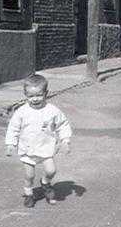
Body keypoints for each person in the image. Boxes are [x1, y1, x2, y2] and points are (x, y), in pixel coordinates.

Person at [5, 74, 72, 208]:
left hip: (46, 148)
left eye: (39, 95)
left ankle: (45, 183)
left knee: (51, 170)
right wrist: (10, 144)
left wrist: (65, 140)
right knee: (29, 175)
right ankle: (29, 194)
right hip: (28, 149)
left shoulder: (52, 111)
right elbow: (13, 128)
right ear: (25, 95)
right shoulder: (22, 111)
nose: (34, 99)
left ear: (46, 93)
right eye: (30, 96)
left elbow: (63, 124)